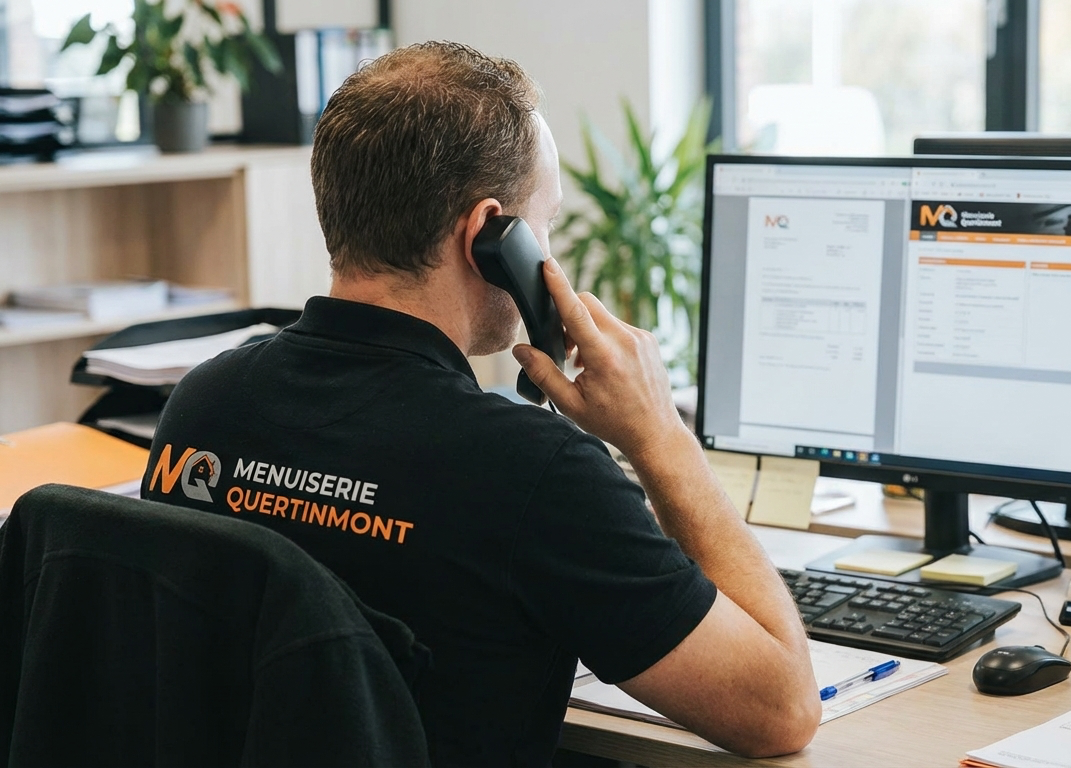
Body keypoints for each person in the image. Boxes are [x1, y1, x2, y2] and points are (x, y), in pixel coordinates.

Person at [142, 40, 818, 766]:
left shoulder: (203, 406)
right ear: (489, 236)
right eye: (544, 225)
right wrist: (660, 437)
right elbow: (781, 709)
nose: (550, 255)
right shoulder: (532, 471)